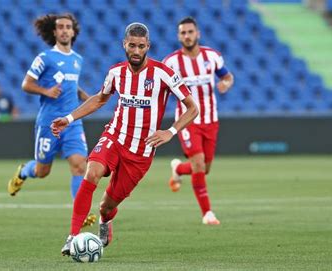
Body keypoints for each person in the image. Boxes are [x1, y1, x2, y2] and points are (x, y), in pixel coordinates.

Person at [51, 22, 199, 256]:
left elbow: (193, 108)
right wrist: (68, 118)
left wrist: (169, 132)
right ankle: (72, 237)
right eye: (132, 46)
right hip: (115, 137)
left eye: (141, 46)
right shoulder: (116, 72)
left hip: (141, 151)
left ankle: (105, 219)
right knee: (91, 173)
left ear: (148, 46)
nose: (136, 51)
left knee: (107, 206)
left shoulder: (163, 73)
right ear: (124, 45)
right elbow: (100, 99)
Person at [7, 13, 96, 227]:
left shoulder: (77, 59)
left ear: (73, 32)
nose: (65, 30)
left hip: (72, 121)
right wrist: (45, 91)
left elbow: (71, 86)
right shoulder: (45, 58)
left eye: (68, 27)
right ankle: (23, 171)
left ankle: (80, 214)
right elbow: (26, 84)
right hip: (48, 123)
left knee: (79, 166)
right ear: (54, 32)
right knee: (42, 171)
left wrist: (86, 97)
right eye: (61, 27)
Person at [162, 17, 234, 225]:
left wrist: (226, 84)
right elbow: (162, 89)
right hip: (187, 120)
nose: (187, 36)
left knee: (204, 168)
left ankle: (178, 169)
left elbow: (227, 76)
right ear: (179, 36)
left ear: (198, 34)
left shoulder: (212, 56)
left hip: (210, 119)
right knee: (199, 163)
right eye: (183, 33)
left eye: (190, 32)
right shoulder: (172, 62)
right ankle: (207, 213)